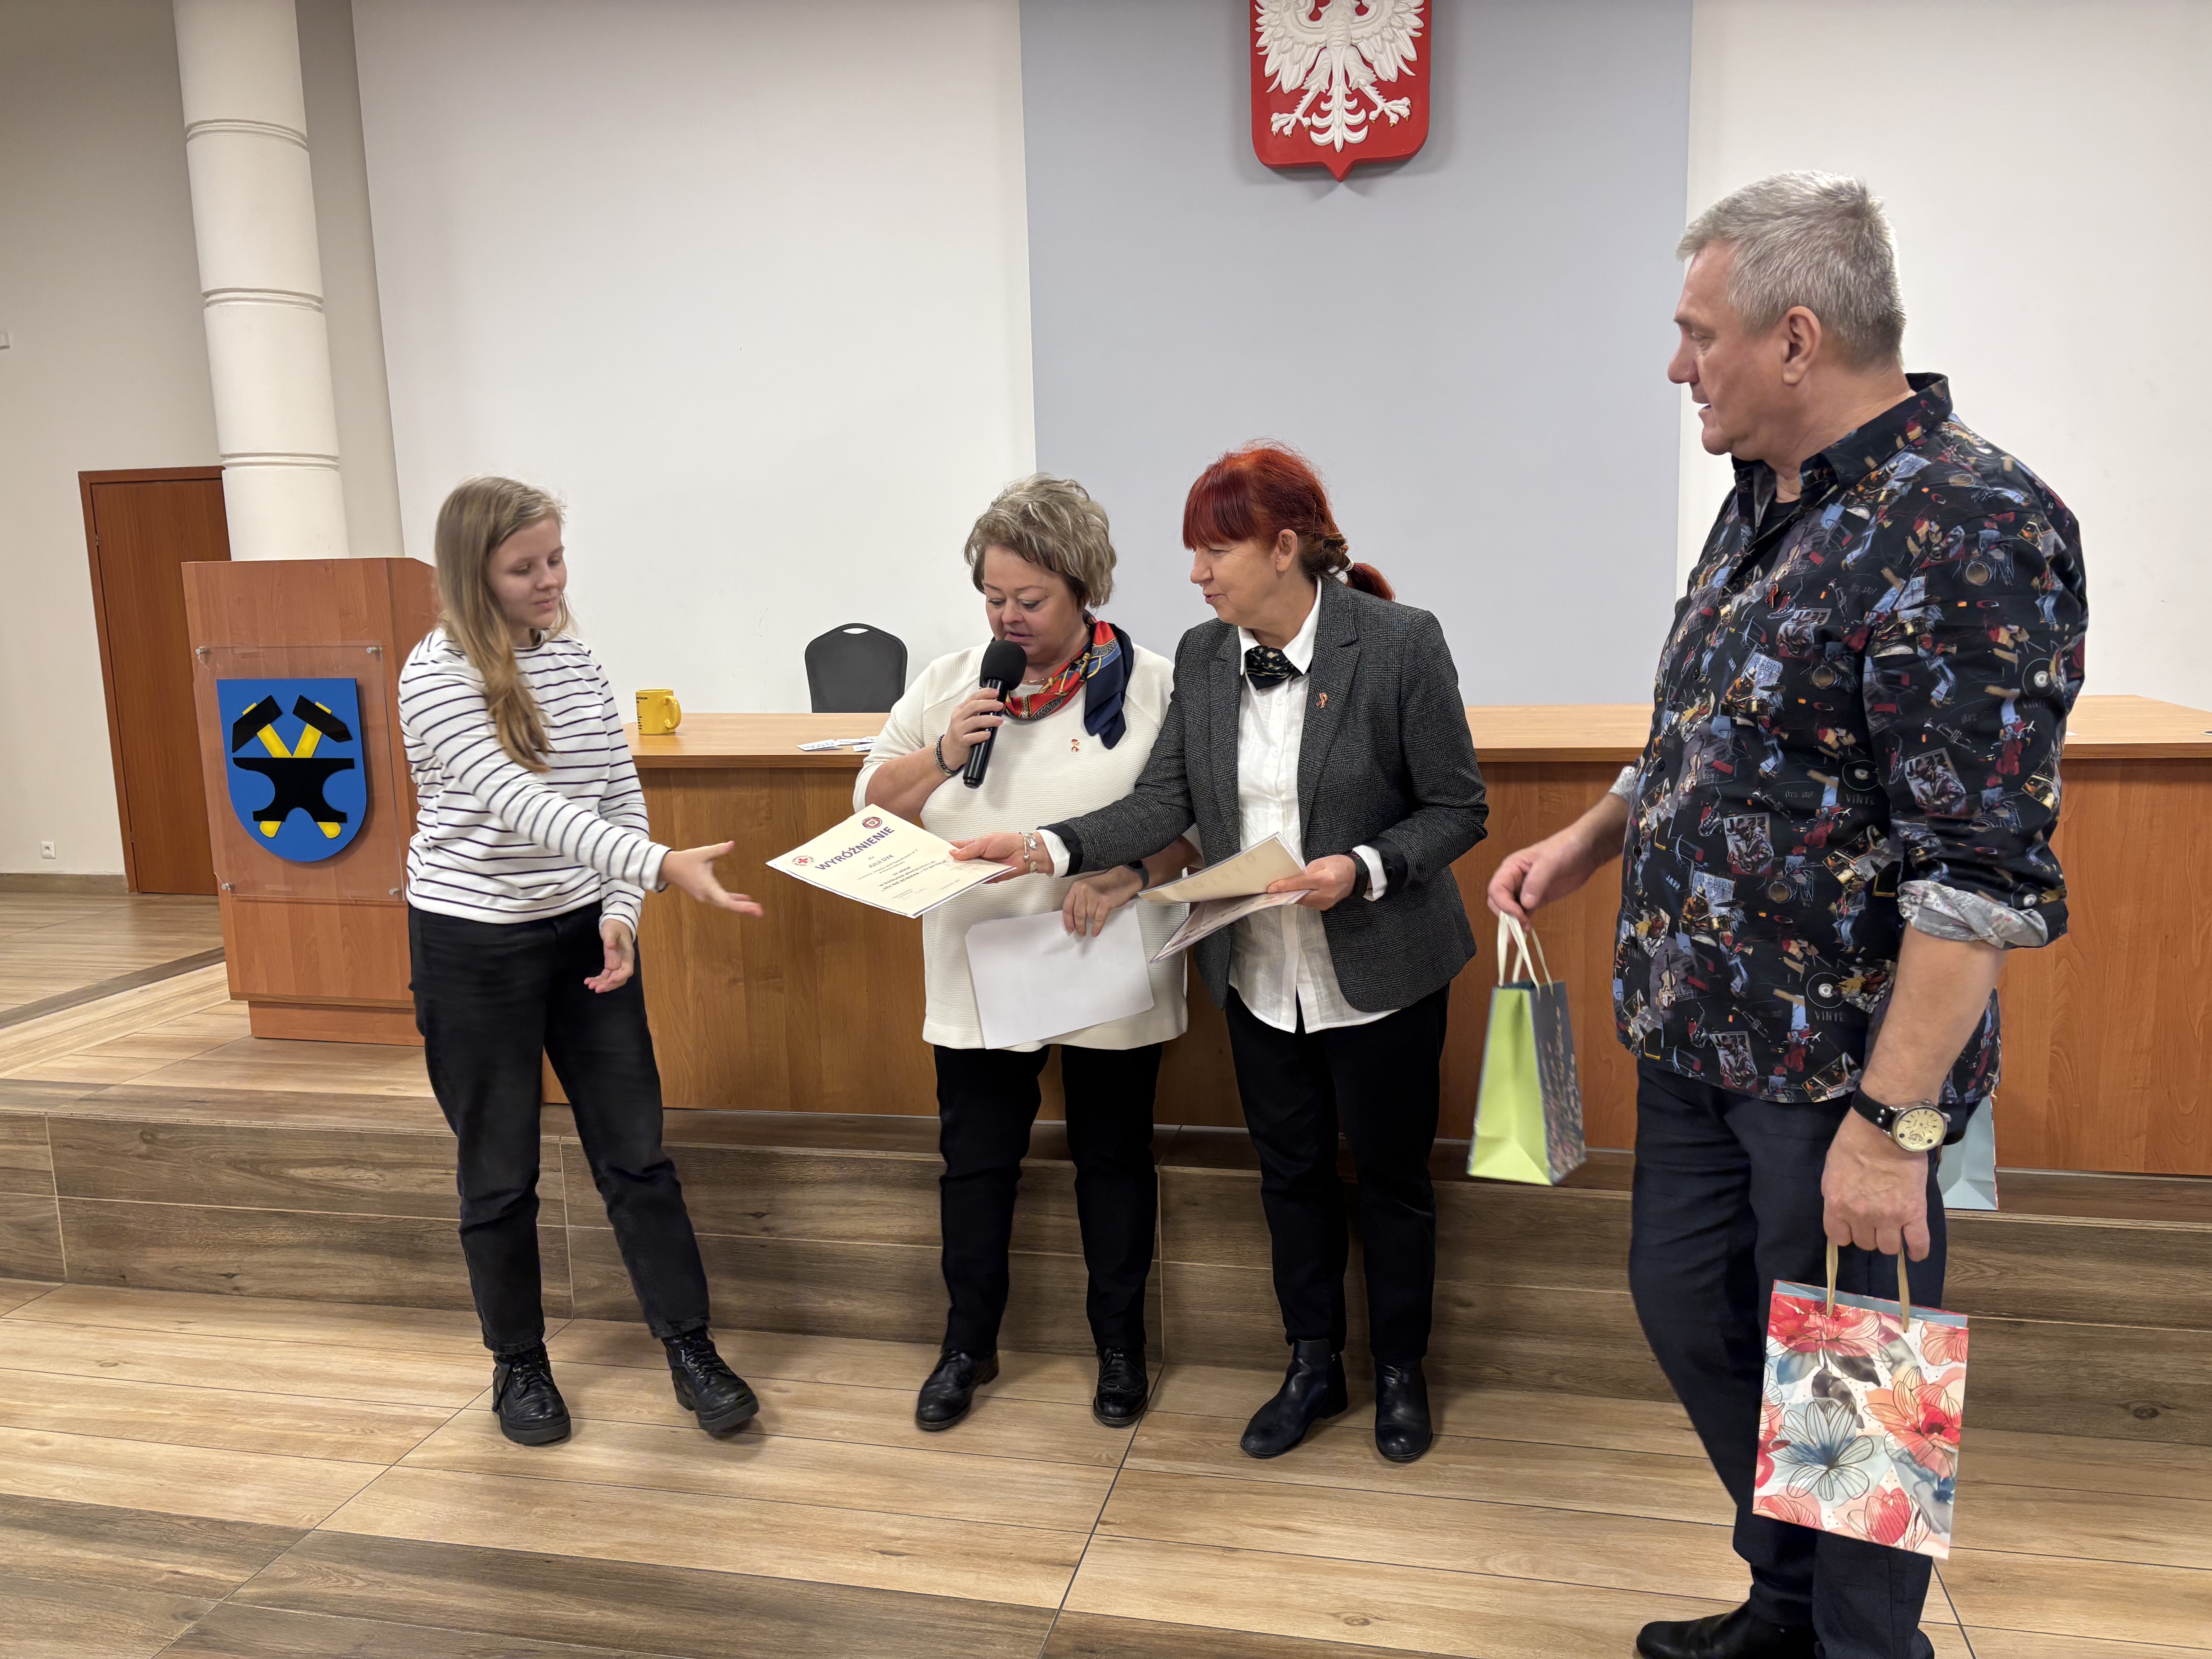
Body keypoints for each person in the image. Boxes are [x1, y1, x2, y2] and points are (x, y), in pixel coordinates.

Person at [1488, 175, 2086, 1659]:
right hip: (1696, 1028)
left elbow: (1977, 878)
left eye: (1699, 334)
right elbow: (1712, 727)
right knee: (1691, 1307)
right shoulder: (1766, 496)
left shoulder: (1971, 525)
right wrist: (1592, 833)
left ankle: (1864, 1644)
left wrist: (1892, 1127)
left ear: (1798, 337)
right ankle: (1786, 1601)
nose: (1677, 365)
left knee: (1857, 1379)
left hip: (1840, 1074)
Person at [956, 445, 1488, 1464]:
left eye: (1215, 552)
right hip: (1259, 972)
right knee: (1289, 1177)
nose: (1196, 574)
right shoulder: (1205, 657)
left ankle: (1402, 1373)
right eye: (1193, 553)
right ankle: (1313, 1365)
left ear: (1284, 548)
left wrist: (1363, 868)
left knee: (1392, 1181)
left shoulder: (1400, 642)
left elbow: (1458, 807)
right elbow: (1166, 800)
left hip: (1382, 967)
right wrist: (1048, 847)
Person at [400, 476, 768, 1448]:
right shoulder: (434, 676)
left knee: (637, 1155)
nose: (550, 581)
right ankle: (519, 1365)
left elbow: (614, 792)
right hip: (472, 943)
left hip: (581, 936)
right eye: (523, 568)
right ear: (471, 575)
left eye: (556, 559)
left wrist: (620, 910)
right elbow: (524, 806)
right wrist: (661, 870)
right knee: (499, 1171)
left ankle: (690, 1348)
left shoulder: (574, 659)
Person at [857, 474, 1197, 1432]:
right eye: (994, 597)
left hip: (1106, 957)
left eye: (1032, 600)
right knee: (976, 1164)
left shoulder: (1156, 684)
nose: (1010, 619)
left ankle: (1120, 1348)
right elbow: (871, 804)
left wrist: (1128, 871)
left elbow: (1196, 827)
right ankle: (967, 1345)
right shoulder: (952, 682)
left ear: (1086, 587)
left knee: (1113, 1161)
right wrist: (942, 753)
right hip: (978, 959)